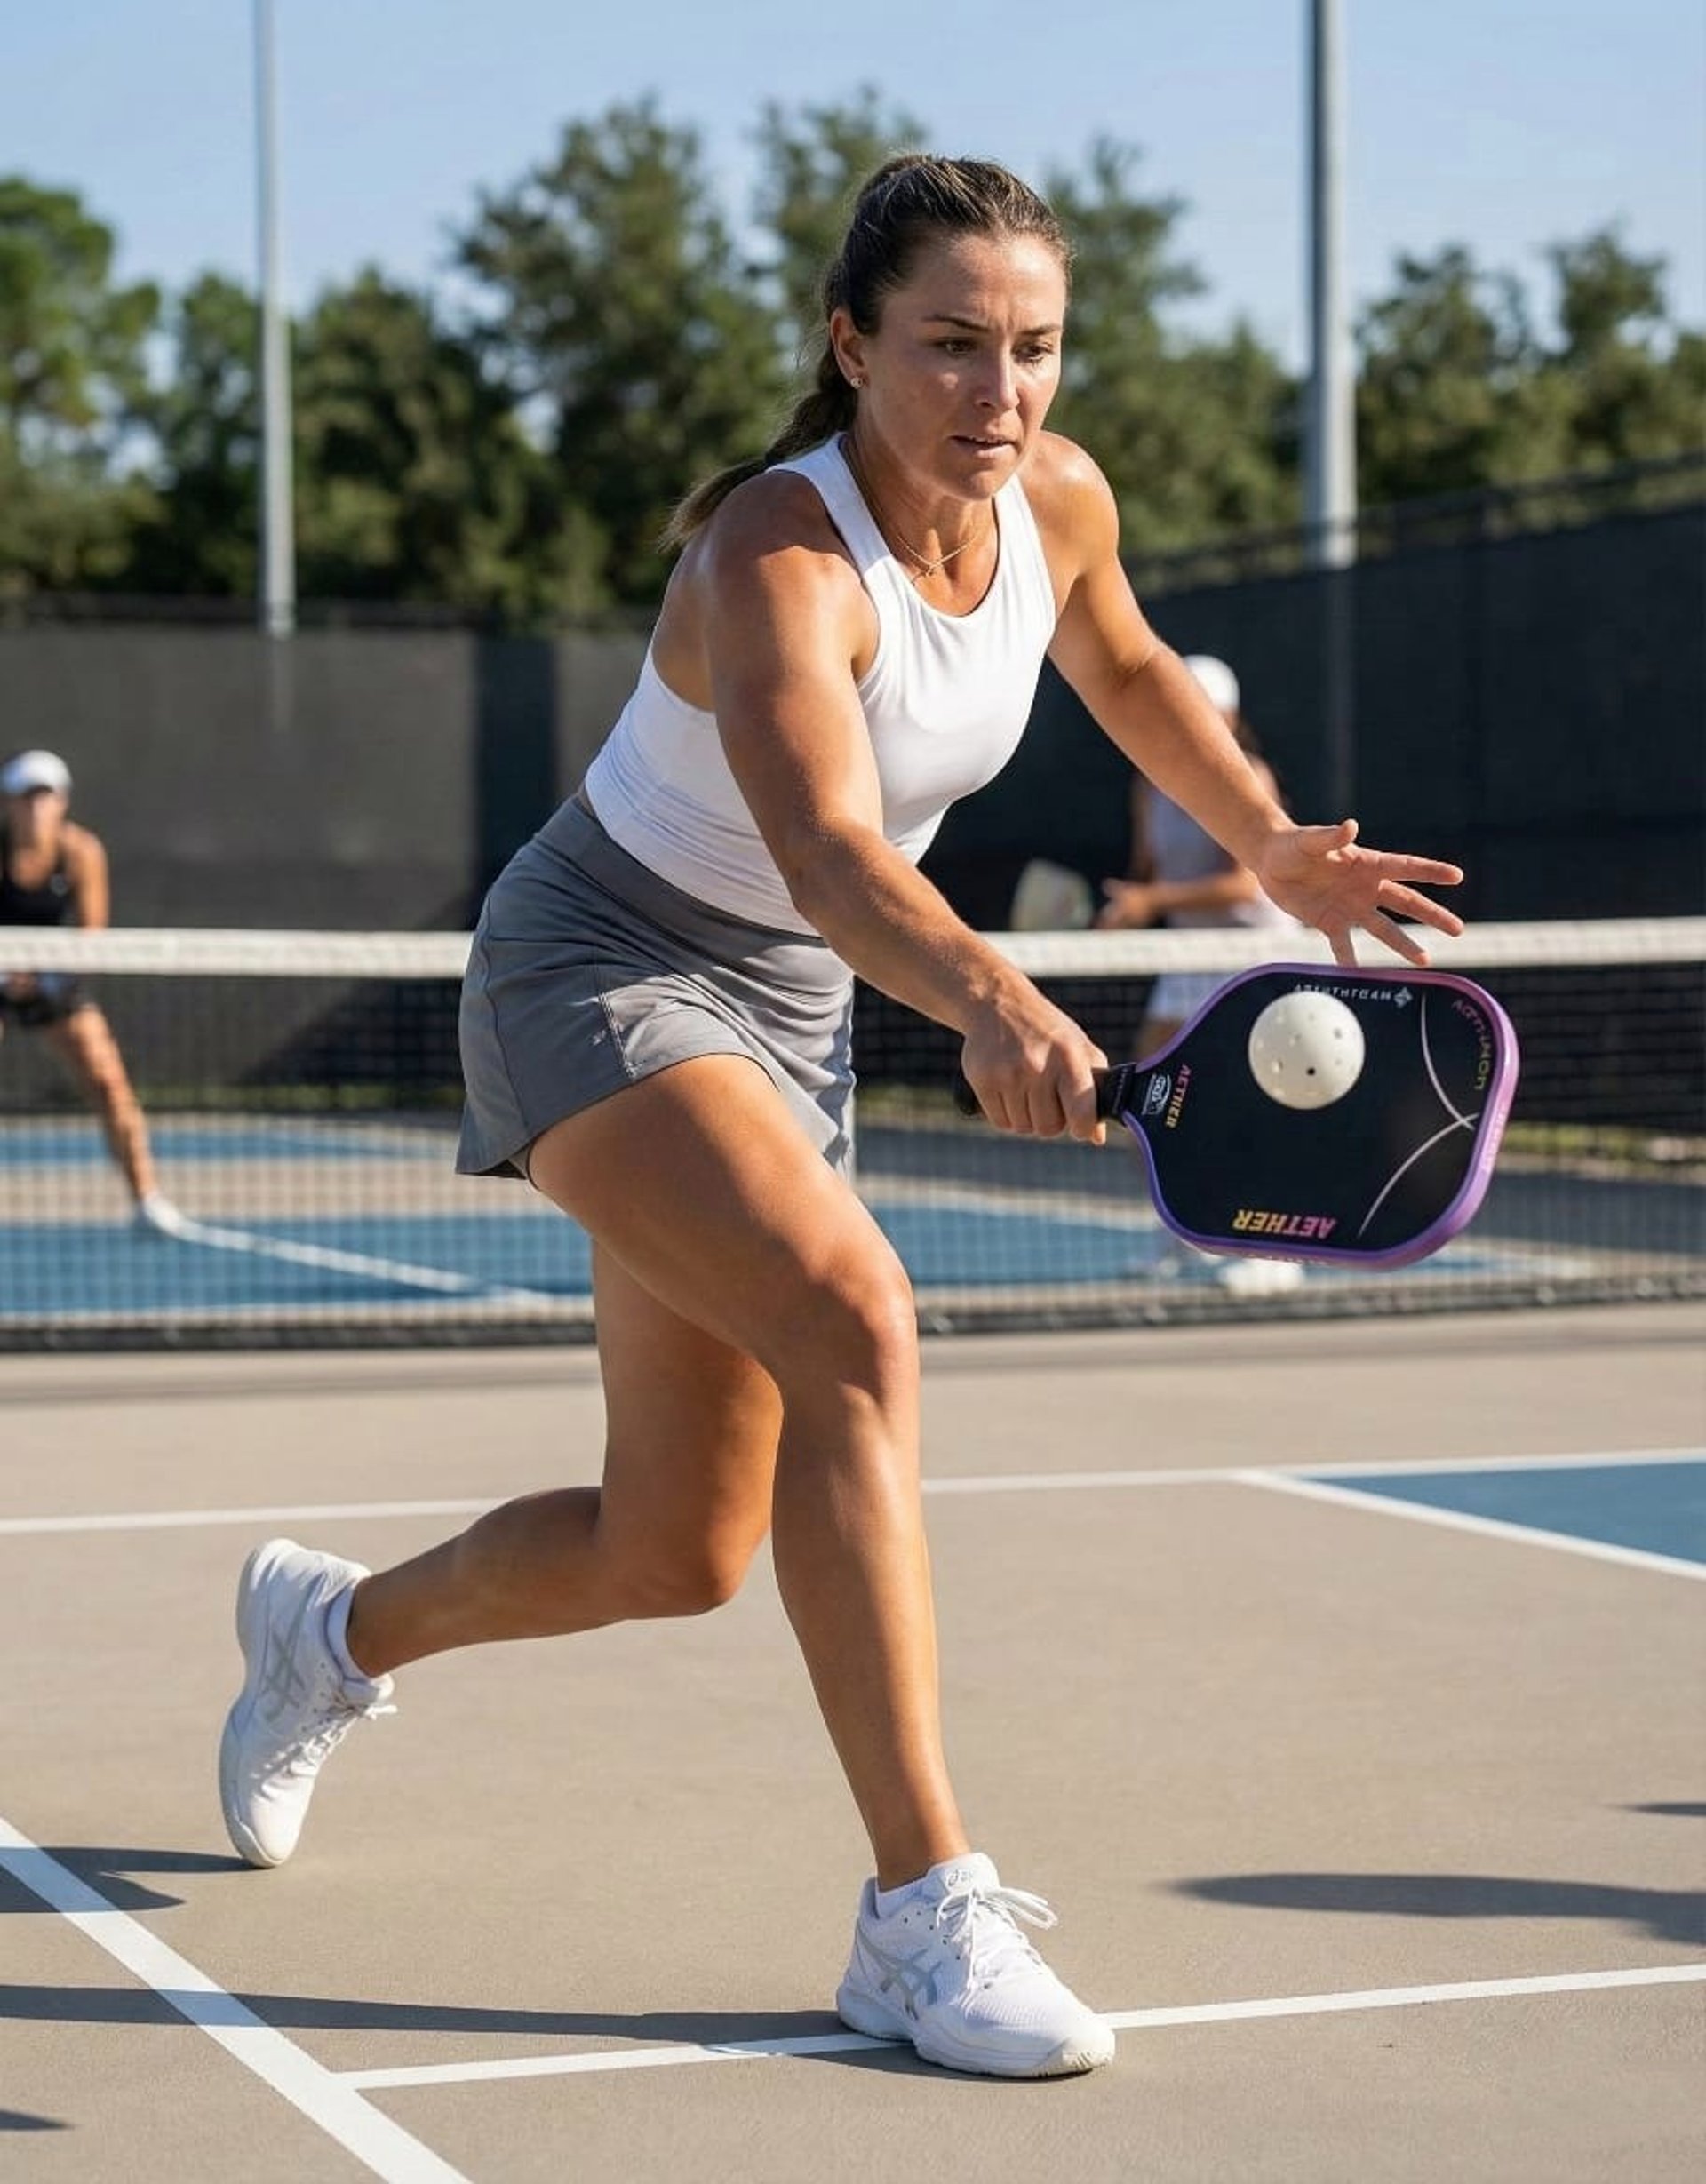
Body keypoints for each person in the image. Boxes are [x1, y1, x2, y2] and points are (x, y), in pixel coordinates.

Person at [217, 155, 1464, 2082]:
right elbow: (819, 842)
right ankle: (919, 1912)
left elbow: (1120, 660)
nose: (1003, 391)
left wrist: (1271, 845)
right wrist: (993, 994)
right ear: (852, 343)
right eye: (954, 345)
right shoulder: (772, 555)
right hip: (598, 962)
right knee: (858, 1319)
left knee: (675, 1544)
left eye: (1036, 347)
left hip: (792, 1002)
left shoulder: (1053, 497)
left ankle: (329, 1634)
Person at [0, 748, 184, 1235]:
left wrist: (43, 978)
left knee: (108, 1081)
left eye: (46, 796)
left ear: (63, 802)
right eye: (25, 797)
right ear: (8, 804)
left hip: (55, 982)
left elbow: (92, 938)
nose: (36, 807)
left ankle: (147, 1200)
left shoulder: (81, 853)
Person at [1096, 653, 1301, 1053]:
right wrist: (1123, 908)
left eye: (1203, 711)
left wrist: (1152, 900)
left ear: (1229, 719)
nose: (1186, 722)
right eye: (1177, 710)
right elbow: (1147, 874)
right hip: (1190, 952)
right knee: (1150, 1068)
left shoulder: (1250, 777)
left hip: (1259, 949)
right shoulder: (1147, 787)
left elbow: (1244, 886)